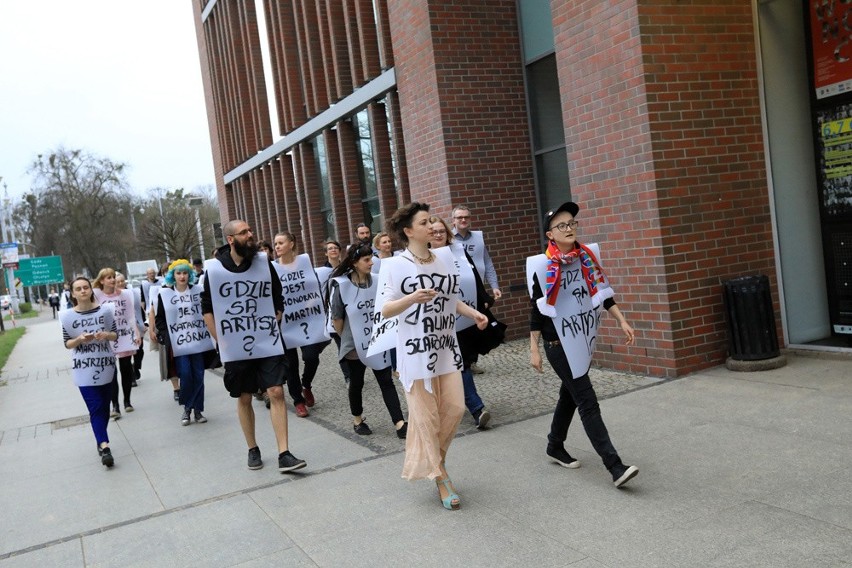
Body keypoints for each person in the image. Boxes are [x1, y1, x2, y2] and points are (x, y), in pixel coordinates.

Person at [379, 202, 488, 510]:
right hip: (414, 355)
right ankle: (442, 478)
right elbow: (385, 309)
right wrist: (412, 298)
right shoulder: (395, 265)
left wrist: (474, 313)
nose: (432, 227)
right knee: (426, 419)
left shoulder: (443, 259)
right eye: (424, 222)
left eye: (432, 222)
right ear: (409, 231)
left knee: (453, 409)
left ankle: (433, 462)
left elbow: (451, 300)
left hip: (445, 348)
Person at [528, 201, 639, 488]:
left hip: (579, 340)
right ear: (550, 235)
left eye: (572, 224)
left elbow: (603, 294)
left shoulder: (586, 259)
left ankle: (554, 445)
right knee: (586, 400)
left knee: (570, 396)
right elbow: (536, 311)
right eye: (561, 225)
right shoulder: (542, 267)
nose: (569, 229)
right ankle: (615, 467)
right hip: (557, 344)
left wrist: (622, 320)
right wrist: (534, 349)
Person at [201, 219, 307, 473]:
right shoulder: (214, 271)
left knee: (277, 391)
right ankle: (253, 448)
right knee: (245, 396)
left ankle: (284, 453)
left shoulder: (263, 264)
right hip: (235, 346)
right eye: (244, 232)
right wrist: (222, 341)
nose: (251, 235)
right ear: (230, 239)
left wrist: (277, 314)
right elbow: (207, 310)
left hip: (265, 340)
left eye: (250, 231)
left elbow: (276, 295)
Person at [329, 243, 407, 438]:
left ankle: (399, 422)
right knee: (357, 382)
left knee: (385, 380)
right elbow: (337, 319)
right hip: (354, 345)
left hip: (376, 340)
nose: (371, 262)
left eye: (371, 258)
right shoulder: (342, 285)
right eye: (366, 260)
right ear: (355, 263)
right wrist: (348, 338)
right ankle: (357, 419)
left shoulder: (378, 281)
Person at [429, 215, 493, 429]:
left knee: (461, 361)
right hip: (434, 323)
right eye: (434, 231)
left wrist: (483, 301)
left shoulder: (458, 251)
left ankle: (477, 408)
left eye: (441, 231)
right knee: (440, 368)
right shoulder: (421, 258)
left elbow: (473, 275)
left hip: (460, 318)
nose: (438, 234)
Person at [60, 276, 119, 468]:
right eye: (79, 289)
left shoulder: (105, 311)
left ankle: (99, 437)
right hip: (83, 368)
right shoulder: (68, 317)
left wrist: (105, 335)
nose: (83, 291)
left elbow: (115, 333)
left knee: (103, 407)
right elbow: (67, 343)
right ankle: (105, 446)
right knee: (95, 407)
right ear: (73, 294)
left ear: (91, 290)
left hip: (105, 365)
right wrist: (79, 340)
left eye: (86, 287)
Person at [272, 231, 331, 417]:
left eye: (281, 242)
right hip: (285, 322)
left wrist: (312, 302)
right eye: (275, 244)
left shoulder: (304, 263)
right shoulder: (272, 268)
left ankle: (306, 383)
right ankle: (298, 400)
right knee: (291, 364)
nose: (277, 247)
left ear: (291, 243)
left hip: (307, 318)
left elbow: (313, 288)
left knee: (311, 356)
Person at [156, 259, 216, 426]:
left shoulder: (198, 291)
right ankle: (187, 408)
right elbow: (160, 318)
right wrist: (165, 333)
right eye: (178, 273)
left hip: (198, 341)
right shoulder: (165, 295)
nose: (182, 276)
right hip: (179, 343)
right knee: (186, 374)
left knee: (198, 374)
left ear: (189, 275)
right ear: (172, 275)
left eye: (185, 273)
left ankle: (197, 410)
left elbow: (208, 311)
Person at [452, 204, 500, 374]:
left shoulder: (478, 238)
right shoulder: (449, 239)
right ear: (453, 220)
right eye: (459, 217)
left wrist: (494, 285)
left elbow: (487, 262)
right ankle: (463, 360)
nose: (463, 220)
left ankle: (471, 361)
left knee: (476, 323)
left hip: (477, 290)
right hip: (459, 290)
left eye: (466, 217)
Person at [93, 268, 143, 419]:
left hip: (124, 335)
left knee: (126, 369)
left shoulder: (125, 294)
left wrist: (137, 333)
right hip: (106, 338)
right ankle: (115, 405)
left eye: (113, 277)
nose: (112, 280)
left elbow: (130, 316)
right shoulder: (96, 295)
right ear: (102, 280)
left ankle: (127, 401)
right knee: (111, 373)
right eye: (108, 278)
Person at [116, 273, 146, 387]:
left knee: (139, 350)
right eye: (117, 282)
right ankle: (132, 376)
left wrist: (144, 323)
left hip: (137, 324)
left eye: (122, 281)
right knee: (127, 355)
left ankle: (136, 366)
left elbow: (139, 308)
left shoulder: (133, 293)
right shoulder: (113, 296)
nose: (120, 283)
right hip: (123, 329)